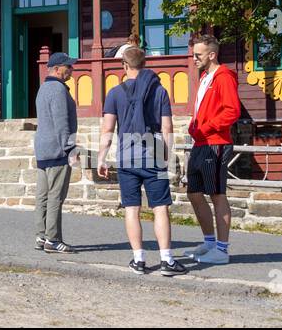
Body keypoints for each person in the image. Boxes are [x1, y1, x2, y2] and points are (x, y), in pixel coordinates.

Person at [97, 47, 189, 276]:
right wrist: (166, 153)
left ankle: (139, 260)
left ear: (125, 66)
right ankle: (167, 260)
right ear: (145, 64)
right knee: (160, 208)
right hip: (154, 155)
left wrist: (102, 157)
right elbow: (167, 126)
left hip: (127, 159)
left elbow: (108, 128)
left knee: (131, 208)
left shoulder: (115, 93)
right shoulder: (159, 91)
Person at [181, 35, 241, 265]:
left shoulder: (223, 76)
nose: (194, 58)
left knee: (217, 194)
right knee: (194, 192)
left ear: (212, 55)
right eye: (193, 54)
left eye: (198, 55)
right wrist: (195, 125)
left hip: (215, 143)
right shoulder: (206, 76)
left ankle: (222, 250)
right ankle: (209, 242)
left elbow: (231, 111)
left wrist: (205, 127)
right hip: (201, 142)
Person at [33, 52, 79, 254]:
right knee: (55, 196)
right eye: (68, 67)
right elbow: (62, 123)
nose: (71, 70)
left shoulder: (43, 88)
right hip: (57, 148)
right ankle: (53, 238)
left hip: (42, 147)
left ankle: (41, 235)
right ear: (58, 69)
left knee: (42, 195)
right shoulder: (59, 90)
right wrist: (70, 148)